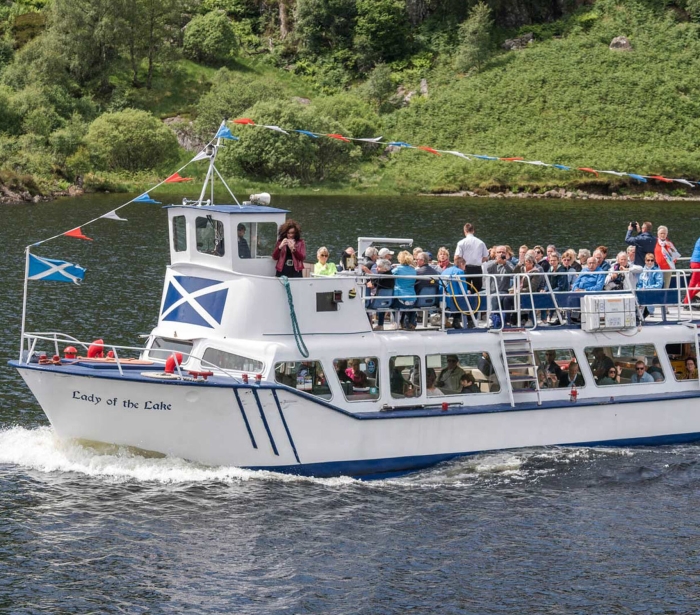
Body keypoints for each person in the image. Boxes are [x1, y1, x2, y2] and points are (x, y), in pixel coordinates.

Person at [455, 222, 489, 294]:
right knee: (477, 290)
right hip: (477, 268)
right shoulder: (480, 242)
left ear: (465, 231)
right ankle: (477, 303)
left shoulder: (461, 243)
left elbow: (457, 257)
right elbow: (486, 257)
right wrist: (479, 260)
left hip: (465, 268)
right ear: (473, 231)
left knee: (465, 288)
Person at [484, 245, 514, 326]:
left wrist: (504, 263)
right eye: (499, 252)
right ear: (495, 254)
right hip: (488, 290)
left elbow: (512, 273)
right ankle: (472, 319)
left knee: (494, 296)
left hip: (502, 290)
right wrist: (496, 262)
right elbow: (487, 269)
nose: (501, 254)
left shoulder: (508, 263)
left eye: (503, 252)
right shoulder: (490, 263)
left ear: (506, 253)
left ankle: (491, 318)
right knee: (475, 296)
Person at [367, 258, 395, 330]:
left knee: (365, 304)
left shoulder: (381, 276)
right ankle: (380, 324)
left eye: (378, 267)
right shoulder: (391, 275)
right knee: (381, 303)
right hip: (388, 302)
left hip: (378, 302)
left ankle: (368, 326)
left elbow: (371, 285)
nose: (376, 268)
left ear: (385, 269)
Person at [441, 255, 469, 329]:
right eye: (465, 265)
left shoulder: (445, 271)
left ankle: (445, 320)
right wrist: (467, 293)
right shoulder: (460, 272)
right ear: (461, 264)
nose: (465, 268)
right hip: (454, 299)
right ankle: (457, 321)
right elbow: (462, 288)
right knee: (467, 299)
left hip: (442, 298)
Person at [393, 250, 418, 330]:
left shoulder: (397, 269)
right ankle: (407, 322)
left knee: (390, 303)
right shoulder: (413, 270)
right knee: (407, 305)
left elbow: (388, 274)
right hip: (412, 299)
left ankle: (396, 322)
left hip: (400, 298)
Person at [684, 236, 700, 305]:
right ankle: (686, 302)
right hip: (697, 263)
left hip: (695, 262)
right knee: (693, 283)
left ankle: (687, 300)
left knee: (696, 284)